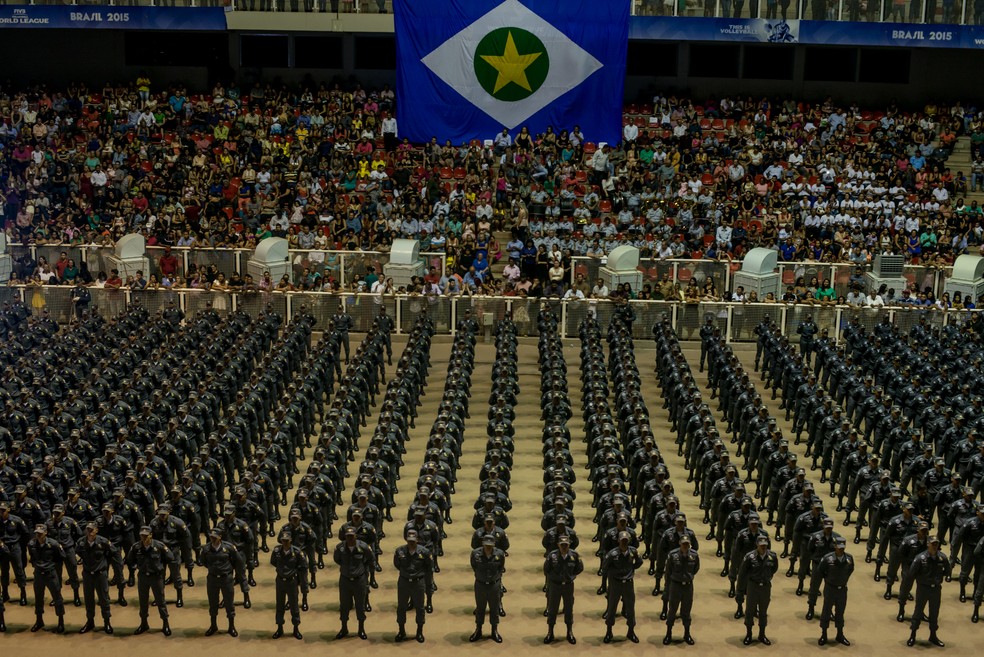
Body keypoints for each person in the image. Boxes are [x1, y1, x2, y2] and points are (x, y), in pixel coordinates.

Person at [126, 525, 173, 636]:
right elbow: (129, 559)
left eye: (146, 536)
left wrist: (161, 567)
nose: (144, 538)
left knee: (160, 601)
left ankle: (165, 623)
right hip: (143, 577)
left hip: (156, 577)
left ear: (151, 535)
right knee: (143, 601)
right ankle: (144, 623)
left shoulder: (159, 546)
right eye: (142, 535)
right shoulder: (136, 547)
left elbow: (170, 557)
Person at [75, 521, 120, 635]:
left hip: (100, 575)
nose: (89, 532)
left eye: (92, 530)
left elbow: (114, 553)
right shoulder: (81, 542)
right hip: (87, 575)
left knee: (104, 599)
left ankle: (107, 622)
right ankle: (90, 621)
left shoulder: (103, 542)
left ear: (96, 530)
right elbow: (79, 553)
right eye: (88, 529)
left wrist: (105, 564)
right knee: (88, 599)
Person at [906, 536, 950, 647]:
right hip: (923, 588)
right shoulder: (920, 558)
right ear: (928, 544)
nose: (935, 546)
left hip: (935, 589)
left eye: (936, 544)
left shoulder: (942, 558)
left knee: (934, 613)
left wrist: (937, 579)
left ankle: (933, 635)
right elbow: (911, 573)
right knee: (918, 612)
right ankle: (913, 635)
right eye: (933, 544)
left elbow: (947, 571)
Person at [202, 527, 246, 638]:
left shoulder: (229, 548)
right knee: (213, 603)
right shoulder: (206, 549)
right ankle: (213, 625)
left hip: (226, 579)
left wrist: (234, 575)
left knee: (229, 603)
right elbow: (203, 561)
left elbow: (238, 562)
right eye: (211, 537)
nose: (212, 539)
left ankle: (231, 626)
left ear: (220, 537)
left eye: (215, 537)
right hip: (212, 579)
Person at [334, 525, 374, 640]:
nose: (350, 538)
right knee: (344, 605)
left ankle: (361, 629)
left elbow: (370, 559)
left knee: (360, 606)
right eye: (348, 536)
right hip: (345, 580)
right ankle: (344, 628)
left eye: (352, 536)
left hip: (359, 580)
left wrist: (363, 570)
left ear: (356, 536)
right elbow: (337, 559)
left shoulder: (363, 547)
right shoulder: (340, 548)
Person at [602, 530, 642, 643]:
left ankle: (631, 631)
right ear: (618, 541)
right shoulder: (612, 554)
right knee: (612, 608)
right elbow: (605, 567)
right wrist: (615, 573)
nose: (624, 542)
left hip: (628, 584)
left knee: (630, 608)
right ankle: (609, 631)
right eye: (622, 540)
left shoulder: (633, 552)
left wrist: (631, 569)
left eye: (626, 540)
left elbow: (639, 562)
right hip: (616, 584)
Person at [736, 535, 778, 645]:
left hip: (765, 587)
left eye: (765, 546)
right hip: (752, 586)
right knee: (749, 611)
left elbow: (774, 569)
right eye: (761, 546)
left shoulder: (772, 556)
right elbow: (742, 574)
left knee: (763, 612)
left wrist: (766, 576)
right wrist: (740, 591)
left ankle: (762, 635)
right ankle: (749, 634)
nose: (763, 548)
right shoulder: (750, 557)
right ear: (757, 545)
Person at [812, 536, 854, 646]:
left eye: (843, 548)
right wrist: (829, 579)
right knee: (826, 611)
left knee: (840, 612)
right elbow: (820, 571)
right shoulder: (827, 558)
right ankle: (824, 634)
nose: (841, 550)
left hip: (842, 589)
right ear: (835, 546)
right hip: (830, 588)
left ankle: (840, 634)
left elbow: (850, 570)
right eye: (839, 547)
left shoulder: (849, 559)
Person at [543, 533, 583, 644]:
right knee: (552, 609)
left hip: (568, 586)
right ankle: (550, 632)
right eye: (562, 545)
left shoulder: (574, 555)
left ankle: (569, 632)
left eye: (566, 544)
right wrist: (555, 578)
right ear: (558, 545)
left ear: (569, 544)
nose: (564, 547)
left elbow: (579, 568)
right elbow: (547, 569)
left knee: (569, 608)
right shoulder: (552, 556)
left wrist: (571, 576)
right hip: (555, 586)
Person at [27, 524, 66, 634]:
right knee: (38, 598)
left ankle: (60, 621)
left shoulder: (53, 544)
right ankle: (39, 620)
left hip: (50, 574)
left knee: (57, 598)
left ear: (45, 533)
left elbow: (61, 557)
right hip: (39, 574)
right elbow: (32, 557)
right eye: (36, 533)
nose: (38, 535)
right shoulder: (31, 544)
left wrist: (51, 566)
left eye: (40, 533)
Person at [393, 529, 431, 643]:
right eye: (409, 541)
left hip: (418, 582)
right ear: (406, 539)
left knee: (419, 608)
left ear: (417, 540)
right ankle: (401, 631)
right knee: (401, 607)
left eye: (413, 541)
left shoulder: (424, 552)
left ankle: (419, 631)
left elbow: (429, 567)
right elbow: (397, 564)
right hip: (404, 581)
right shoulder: (400, 551)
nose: (411, 543)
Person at [663, 534, 700, 646]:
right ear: (680, 544)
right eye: (683, 544)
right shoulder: (673, 555)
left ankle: (687, 634)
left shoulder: (694, 555)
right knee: (672, 610)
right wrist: (668, 586)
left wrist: (687, 577)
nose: (685, 546)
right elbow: (668, 571)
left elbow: (696, 569)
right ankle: (668, 633)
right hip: (675, 585)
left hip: (688, 586)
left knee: (686, 611)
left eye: (687, 544)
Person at [469, 534, 505, 643]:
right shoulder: (476, 554)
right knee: (480, 608)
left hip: (494, 585)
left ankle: (494, 630)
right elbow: (474, 566)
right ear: (483, 544)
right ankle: (478, 630)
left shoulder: (499, 554)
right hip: (480, 584)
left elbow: (501, 568)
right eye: (486, 545)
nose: (488, 547)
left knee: (494, 609)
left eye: (490, 545)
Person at [271, 533, 307, 640]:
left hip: (292, 582)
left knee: (294, 606)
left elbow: (303, 566)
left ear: (291, 540)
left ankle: (296, 628)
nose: (285, 542)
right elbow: (273, 562)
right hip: (280, 581)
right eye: (283, 540)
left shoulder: (297, 552)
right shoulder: (277, 551)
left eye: (287, 540)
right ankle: (279, 628)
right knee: (280, 605)